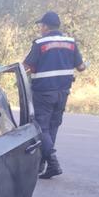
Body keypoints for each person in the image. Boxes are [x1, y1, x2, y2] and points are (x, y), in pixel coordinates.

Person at [22, 11, 86, 179]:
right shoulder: (71, 43)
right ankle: (43, 163)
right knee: (53, 126)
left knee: (41, 126)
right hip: (63, 91)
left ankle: (52, 161)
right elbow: (81, 67)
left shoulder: (40, 43)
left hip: (43, 92)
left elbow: (26, 67)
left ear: (45, 26)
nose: (40, 29)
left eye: (40, 26)